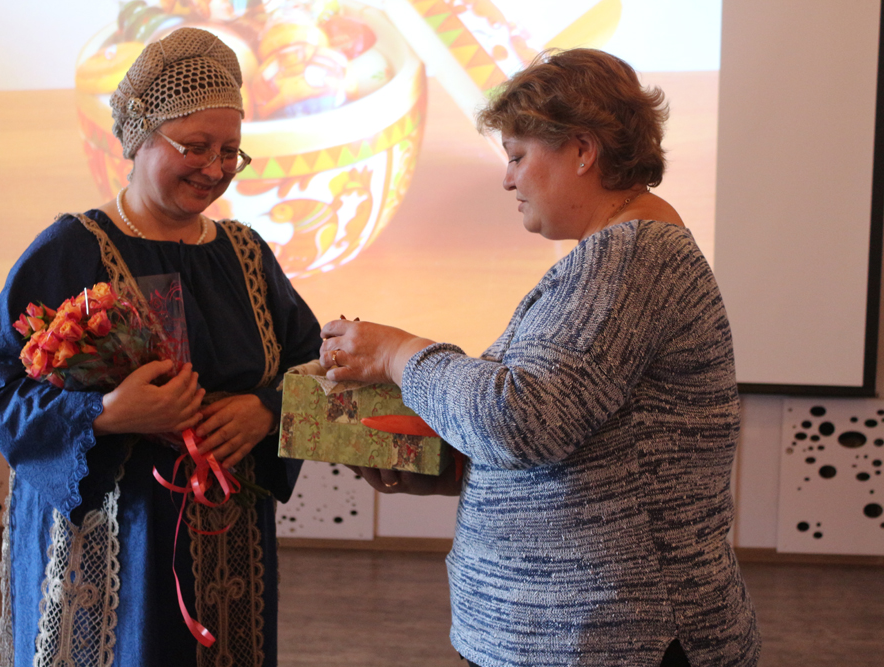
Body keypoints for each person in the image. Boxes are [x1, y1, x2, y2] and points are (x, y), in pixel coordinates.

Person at [320, 49, 760, 667]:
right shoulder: (621, 255)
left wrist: (396, 352)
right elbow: (568, 437)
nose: (507, 180)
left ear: (582, 150)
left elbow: (521, 420)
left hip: (608, 638)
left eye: (517, 156)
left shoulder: (628, 259)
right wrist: (458, 469)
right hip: (577, 634)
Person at [0, 28, 321, 667]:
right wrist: (105, 414)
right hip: (111, 542)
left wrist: (267, 409)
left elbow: (311, 363)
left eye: (230, 152)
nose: (215, 168)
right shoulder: (71, 249)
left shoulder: (246, 254)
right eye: (195, 146)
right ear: (139, 137)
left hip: (228, 537)